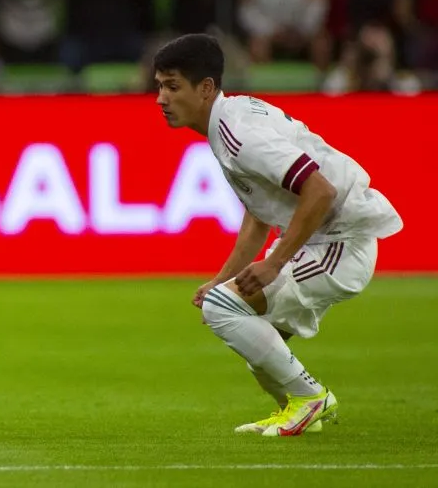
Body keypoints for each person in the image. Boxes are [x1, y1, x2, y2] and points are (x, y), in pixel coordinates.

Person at [151, 33, 402, 436]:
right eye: (160, 86)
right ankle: (295, 411)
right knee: (248, 326)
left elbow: (320, 190)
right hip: (322, 239)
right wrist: (223, 277)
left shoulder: (239, 136)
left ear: (206, 88)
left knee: (222, 307)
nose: (161, 99)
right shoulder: (228, 123)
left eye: (172, 86)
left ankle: (310, 398)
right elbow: (258, 216)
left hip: (341, 241)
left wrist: (274, 262)